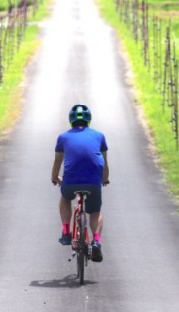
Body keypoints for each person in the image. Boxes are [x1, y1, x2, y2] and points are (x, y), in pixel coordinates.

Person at [51, 104, 109, 263]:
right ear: (89, 120)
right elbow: (104, 162)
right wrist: (104, 179)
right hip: (93, 181)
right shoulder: (99, 136)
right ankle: (96, 241)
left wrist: (55, 177)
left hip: (71, 181)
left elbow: (58, 161)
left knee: (65, 197)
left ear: (71, 121)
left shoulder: (63, 137)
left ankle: (65, 232)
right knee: (95, 211)